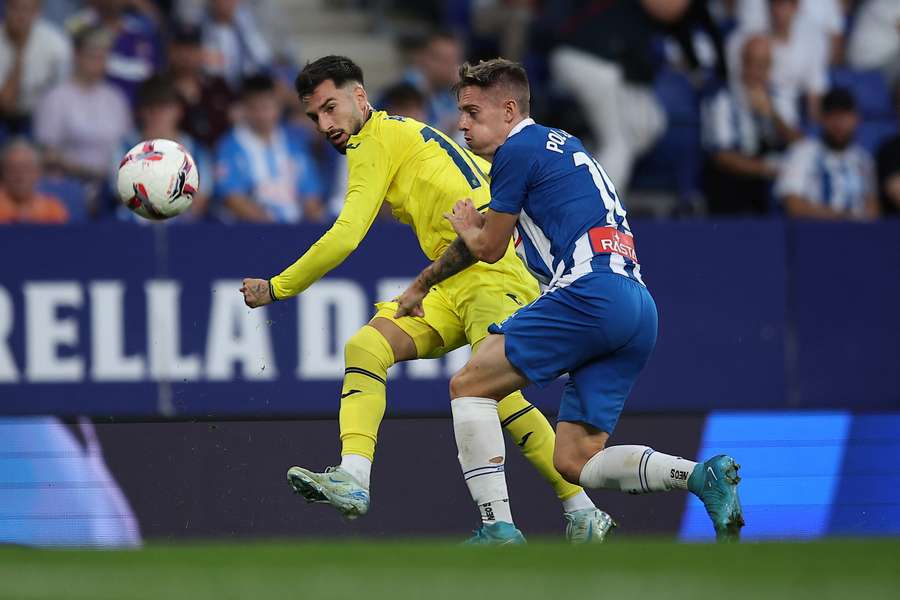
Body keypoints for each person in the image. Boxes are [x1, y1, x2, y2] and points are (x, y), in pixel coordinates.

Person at [239, 55, 614, 543]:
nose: (326, 125)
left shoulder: (372, 141)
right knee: (367, 347)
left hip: (489, 271)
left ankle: (576, 509)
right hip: (451, 279)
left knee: (494, 393)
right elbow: (481, 174)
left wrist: (277, 286)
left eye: (331, 108)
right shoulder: (408, 133)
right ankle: (353, 477)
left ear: (360, 97)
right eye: (314, 117)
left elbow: (347, 234)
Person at [396, 59, 744, 543]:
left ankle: (496, 525)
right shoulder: (562, 148)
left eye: (472, 112)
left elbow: (489, 247)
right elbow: (505, 232)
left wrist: (467, 230)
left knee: (470, 385)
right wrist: (426, 281)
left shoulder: (517, 150)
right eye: (461, 113)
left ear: (509, 109)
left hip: (589, 291)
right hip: (637, 306)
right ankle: (700, 477)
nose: (462, 124)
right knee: (575, 459)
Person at [33, 24, 132, 214]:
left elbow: (126, 144)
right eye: (92, 54)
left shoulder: (116, 98)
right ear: (77, 55)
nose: (98, 61)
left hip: (114, 187)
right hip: (70, 185)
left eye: (103, 55)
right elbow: (47, 154)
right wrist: (90, 171)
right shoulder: (57, 98)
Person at [702, 34, 801, 214]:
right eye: (752, 63)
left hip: (772, 186)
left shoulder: (780, 98)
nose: (757, 72)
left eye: (763, 65)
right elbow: (721, 157)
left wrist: (772, 115)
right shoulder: (722, 100)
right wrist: (766, 169)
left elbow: (801, 144)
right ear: (742, 64)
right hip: (733, 184)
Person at [215, 74, 324, 223]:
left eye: (267, 107)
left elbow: (311, 195)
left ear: (278, 107)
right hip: (251, 233)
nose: (262, 115)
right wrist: (273, 230)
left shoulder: (294, 144)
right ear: (244, 108)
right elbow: (232, 198)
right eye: (254, 108)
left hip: (295, 230)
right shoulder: (229, 146)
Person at [111, 75, 211, 222]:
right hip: (137, 226)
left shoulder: (196, 151)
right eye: (150, 108)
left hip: (182, 226)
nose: (157, 115)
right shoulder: (124, 148)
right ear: (140, 111)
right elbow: (122, 195)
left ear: (179, 111)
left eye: (164, 108)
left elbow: (199, 201)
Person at [776, 88, 880, 220]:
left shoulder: (864, 159)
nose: (839, 124)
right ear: (822, 119)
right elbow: (793, 205)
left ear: (856, 119)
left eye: (845, 116)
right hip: (813, 234)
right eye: (832, 116)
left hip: (858, 235)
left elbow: (873, 210)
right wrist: (840, 217)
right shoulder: (802, 153)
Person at [0, 0, 72, 135]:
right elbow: (6, 103)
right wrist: (19, 51)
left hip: (40, 115)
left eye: (27, 10)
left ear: (37, 12)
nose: (21, 16)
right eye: (15, 9)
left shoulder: (56, 44)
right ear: (6, 9)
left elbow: (63, 94)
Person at [0, 138, 68, 224]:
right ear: (3, 174)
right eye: (13, 169)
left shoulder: (53, 209)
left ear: (38, 173)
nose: (20, 176)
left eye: (26, 169)